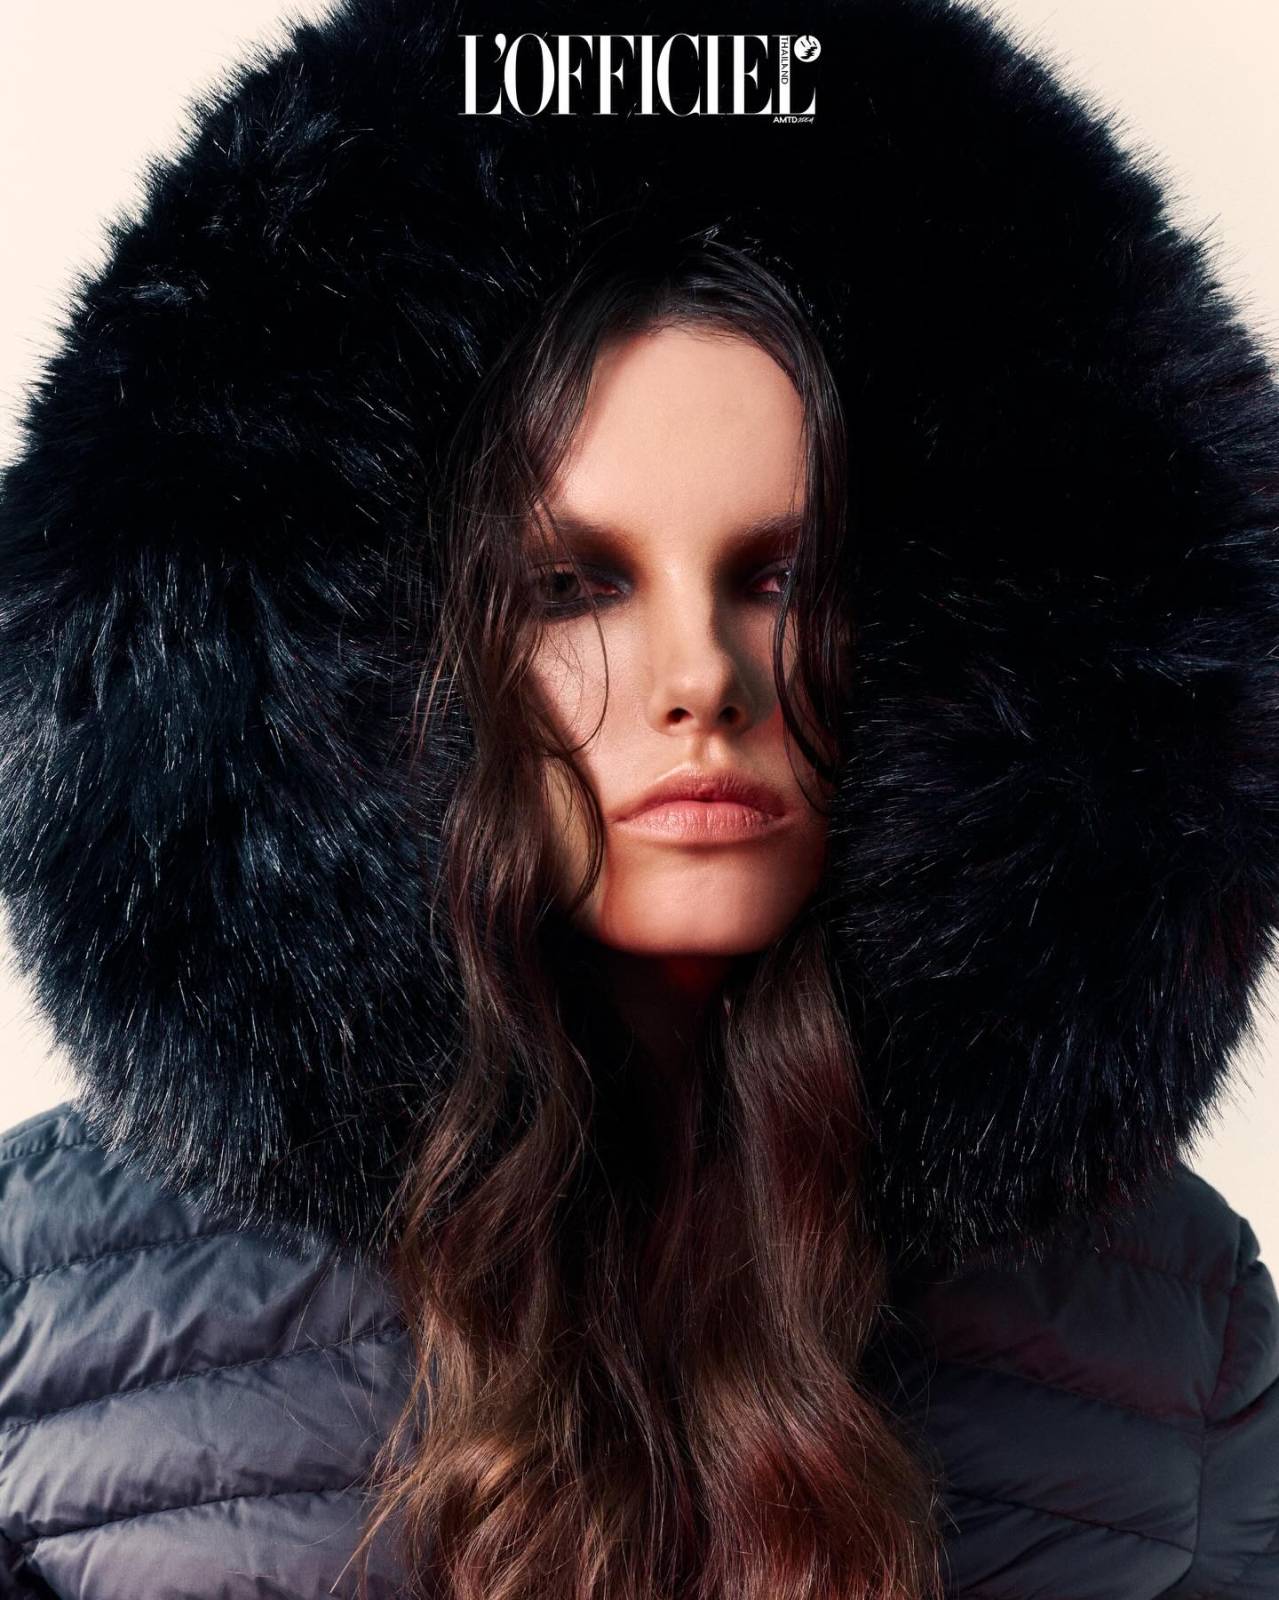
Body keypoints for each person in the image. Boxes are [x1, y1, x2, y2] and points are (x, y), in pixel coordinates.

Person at [0, 0, 1276, 1596]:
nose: (700, 679)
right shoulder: (39, 1288)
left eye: (785, 578)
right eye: (572, 586)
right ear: (413, 660)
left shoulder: (1173, 1320)